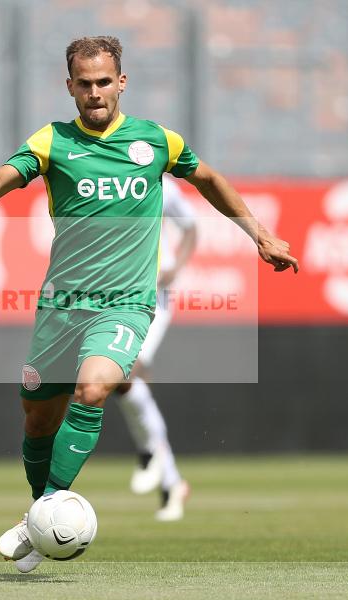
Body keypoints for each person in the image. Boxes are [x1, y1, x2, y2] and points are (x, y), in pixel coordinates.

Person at [0, 36, 298, 574]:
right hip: (61, 307)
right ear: (69, 88)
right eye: (84, 84)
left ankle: (37, 519)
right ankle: (42, 516)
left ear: (121, 82)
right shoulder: (51, 142)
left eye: (104, 81)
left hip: (126, 304)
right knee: (37, 422)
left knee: (95, 387)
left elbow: (211, 180)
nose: (95, 92)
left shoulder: (156, 141)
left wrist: (260, 236)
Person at [114, 175, 196, 522]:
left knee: (126, 371)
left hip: (153, 293)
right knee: (118, 381)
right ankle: (170, 480)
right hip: (114, 291)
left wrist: (176, 267)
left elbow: (190, 227)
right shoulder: (102, 176)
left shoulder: (161, 183)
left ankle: (153, 454)